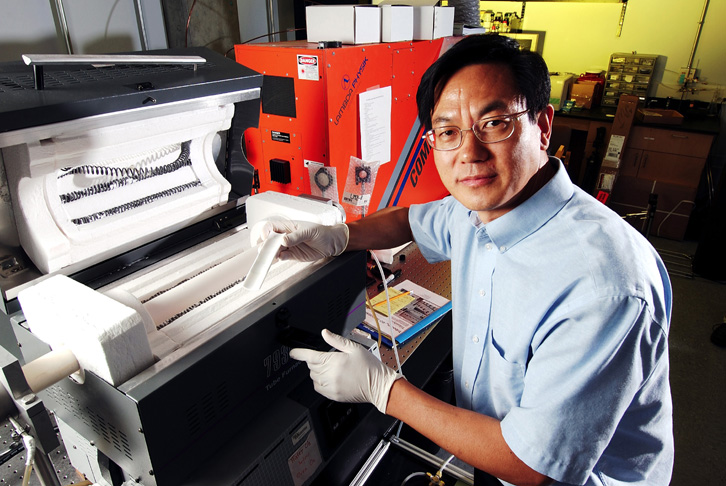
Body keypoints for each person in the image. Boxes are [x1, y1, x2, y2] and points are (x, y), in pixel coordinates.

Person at [265, 34, 673, 486]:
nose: (469, 153)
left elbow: (532, 465)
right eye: (448, 132)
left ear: (543, 126)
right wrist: (341, 235)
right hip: (490, 453)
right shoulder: (480, 208)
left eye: (494, 123)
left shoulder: (602, 286)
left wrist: (384, 390)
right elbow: (409, 220)